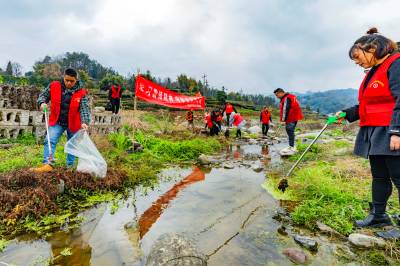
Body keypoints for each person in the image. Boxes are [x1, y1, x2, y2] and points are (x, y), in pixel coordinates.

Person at [336, 28, 400, 228]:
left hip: (391, 129)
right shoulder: (374, 71)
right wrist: (346, 113)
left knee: (399, 177)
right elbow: (370, 103)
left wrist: (397, 131)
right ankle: (379, 215)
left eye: (357, 56)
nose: (356, 62)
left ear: (372, 48)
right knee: (379, 175)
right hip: (375, 130)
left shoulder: (396, 63)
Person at [32, 68, 91, 172]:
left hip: (73, 123)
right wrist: (42, 103)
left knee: (72, 145)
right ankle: (48, 164)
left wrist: (85, 122)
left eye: (71, 81)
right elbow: (43, 96)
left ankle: (70, 167)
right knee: (50, 140)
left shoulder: (81, 92)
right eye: (66, 80)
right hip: (57, 121)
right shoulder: (54, 85)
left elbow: (84, 108)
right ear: (63, 77)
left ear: (76, 80)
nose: (68, 83)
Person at [274, 88, 303, 153]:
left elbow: (285, 110)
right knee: (290, 131)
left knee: (289, 130)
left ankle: (291, 147)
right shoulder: (289, 97)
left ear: (280, 93)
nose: (277, 97)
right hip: (294, 117)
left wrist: (283, 120)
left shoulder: (286, 98)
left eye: (277, 95)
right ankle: (291, 146)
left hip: (291, 117)